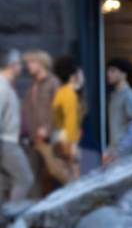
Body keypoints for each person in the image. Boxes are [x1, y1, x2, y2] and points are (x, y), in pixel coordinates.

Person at [38, 55, 85, 187]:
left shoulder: (61, 92)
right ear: (73, 75)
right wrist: (72, 145)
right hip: (66, 139)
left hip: (58, 137)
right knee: (73, 180)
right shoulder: (69, 94)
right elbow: (71, 121)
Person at [20, 49, 61, 196]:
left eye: (32, 62)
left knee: (56, 174)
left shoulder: (53, 83)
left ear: (42, 63)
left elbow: (58, 110)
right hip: (33, 139)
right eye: (27, 63)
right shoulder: (33, 86)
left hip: (49, 139)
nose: (28, 66)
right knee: (32, 177)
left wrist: (47, 129)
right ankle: (35, 207)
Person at [0, 50, 34, 202]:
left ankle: (5, 215)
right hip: (6, 143)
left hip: (7, 141)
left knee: (3, 184)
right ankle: (13, 213)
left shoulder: (6, 85)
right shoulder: (2, 87)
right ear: (12, 65)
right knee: (25, 179)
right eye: (19, 63)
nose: (22, 67)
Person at [103, 57, 132, 165]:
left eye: (113, 70)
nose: (108, 74)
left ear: (124, 74)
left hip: (128, 157)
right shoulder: (114, 96)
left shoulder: (129, 95)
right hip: (116, 155)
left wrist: (119, 151)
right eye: (108, 70)